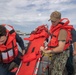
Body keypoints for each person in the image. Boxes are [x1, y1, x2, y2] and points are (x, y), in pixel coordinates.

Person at [40, 11, 74, 75]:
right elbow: (53, 35)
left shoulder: (62, 31)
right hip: (55, 51)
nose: (52, 23)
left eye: (54, 21)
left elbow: (61, 48)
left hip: (62, 53)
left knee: (56, 72)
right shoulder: (55, 28)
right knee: (52, 68)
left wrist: (46, 51)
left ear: (59, 20)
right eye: (51, 21)